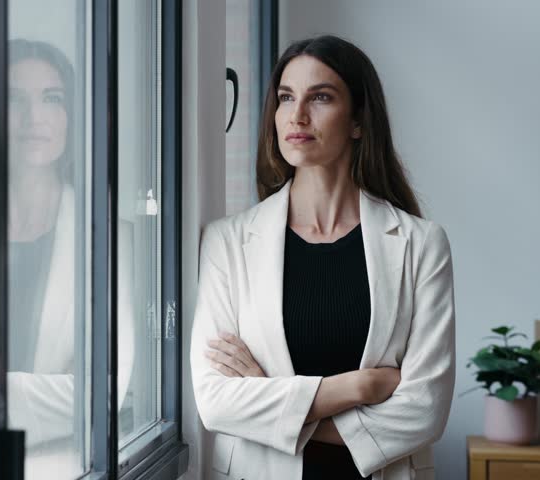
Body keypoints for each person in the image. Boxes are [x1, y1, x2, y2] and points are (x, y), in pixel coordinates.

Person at [190, 35, 455, 480]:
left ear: (357, 121)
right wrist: (357, 386)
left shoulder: (421, 244)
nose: (297, 115)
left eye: (322, 97)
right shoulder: (228, 243)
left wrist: (269, 400)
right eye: (286, 97)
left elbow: (424, 411)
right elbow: (216, 403)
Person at [6, 39, 135, 474]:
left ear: (71, 115)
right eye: (14, 98)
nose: (33, 117)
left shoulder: (104, 235)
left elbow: (103, 391)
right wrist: (48, 389)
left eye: (52, 99)